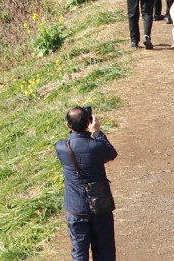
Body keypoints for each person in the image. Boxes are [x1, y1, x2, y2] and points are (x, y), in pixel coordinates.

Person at [55, 106, 118, 261]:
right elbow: (111, 153)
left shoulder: (61, 147)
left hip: (75, 208)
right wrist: (96, 131)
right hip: (100, 207)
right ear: (89, 122)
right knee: (105, 251)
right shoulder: (97, 147)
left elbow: (76, 144)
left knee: (79, 252)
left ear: (68, 125)